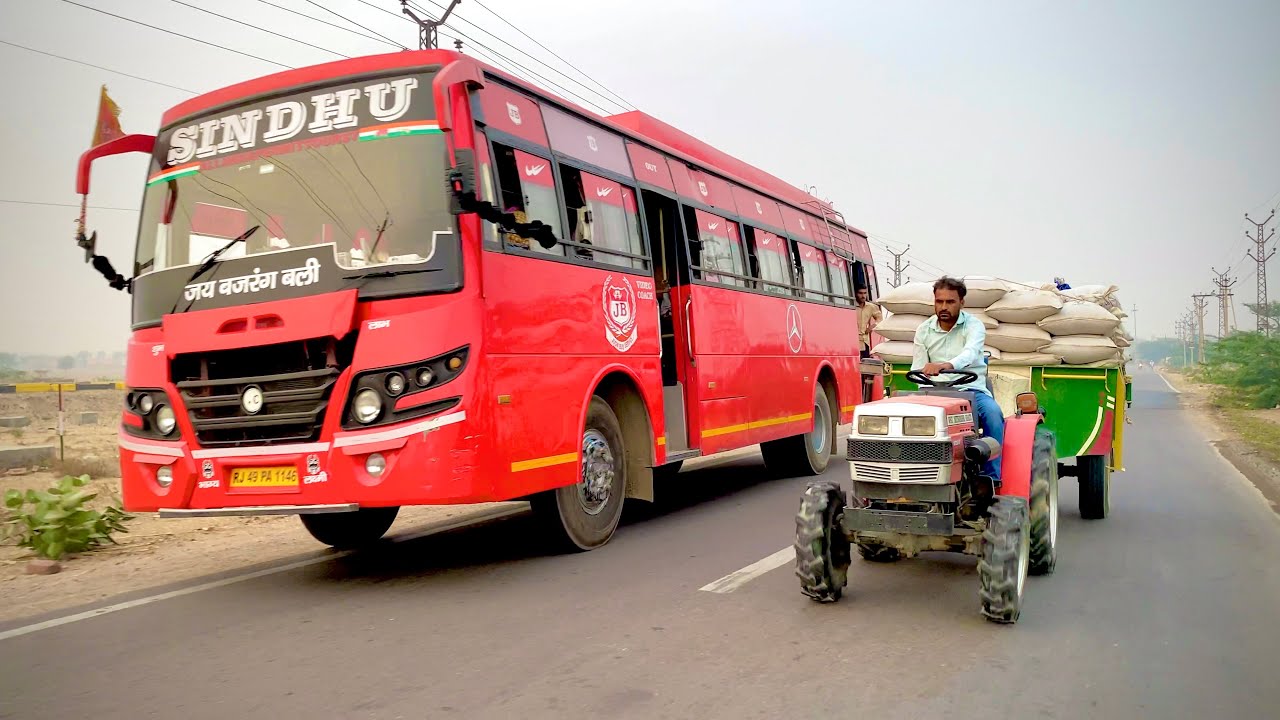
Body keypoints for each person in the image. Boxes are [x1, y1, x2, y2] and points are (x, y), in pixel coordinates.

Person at [911, 276, 1005, 483]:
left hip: (971, 390)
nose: (944, 307)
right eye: (939, 301)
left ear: (962, 303)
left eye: (950, 302)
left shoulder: (974, 326)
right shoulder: (923, 330)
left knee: (993, 415)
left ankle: (989, 478)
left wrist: (947, 365)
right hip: (932, 393)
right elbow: (918, 369)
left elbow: (971, 353)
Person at [856, 286, 882, 359]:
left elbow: (880, 318)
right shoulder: (851, 305)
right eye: (860, 293)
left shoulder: (871, 307)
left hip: (864, 341)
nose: (863, 296)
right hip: (853, 340)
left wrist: (873, 326)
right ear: (855, 294)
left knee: (865, 364)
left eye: (865, 293)